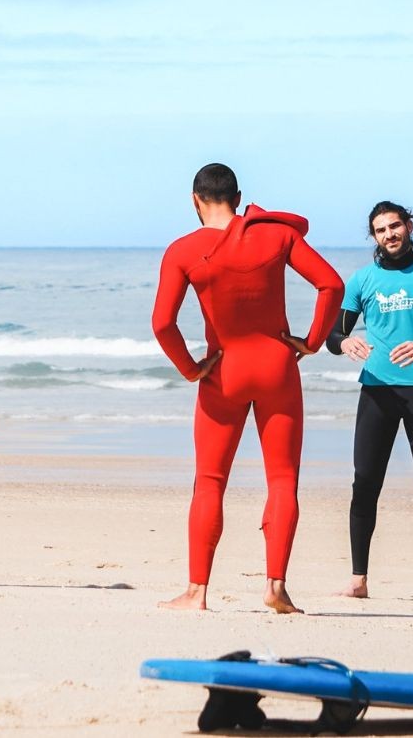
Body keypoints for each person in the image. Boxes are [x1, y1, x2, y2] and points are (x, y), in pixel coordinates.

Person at [151, 163, 343, 614]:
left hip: (223, 372)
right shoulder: (278, 236)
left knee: (210, 481)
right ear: (238, 198)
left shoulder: (182, 250)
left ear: (195, 200)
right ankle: (275, 587)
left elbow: (162, 323)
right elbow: (331, 284)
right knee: (283, 480)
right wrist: (312, 343)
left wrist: (191, 369)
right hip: (278, 367)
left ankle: (197, 593)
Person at [326, 201, 413, 604]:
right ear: (374, 237)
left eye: (394, 226)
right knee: (364, 486)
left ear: (408, 227)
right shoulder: (362, 281)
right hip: (376, 390)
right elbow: (332, 337)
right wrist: (346, 343)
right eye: (380, 230)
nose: (389, 235)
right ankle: (358, 580)